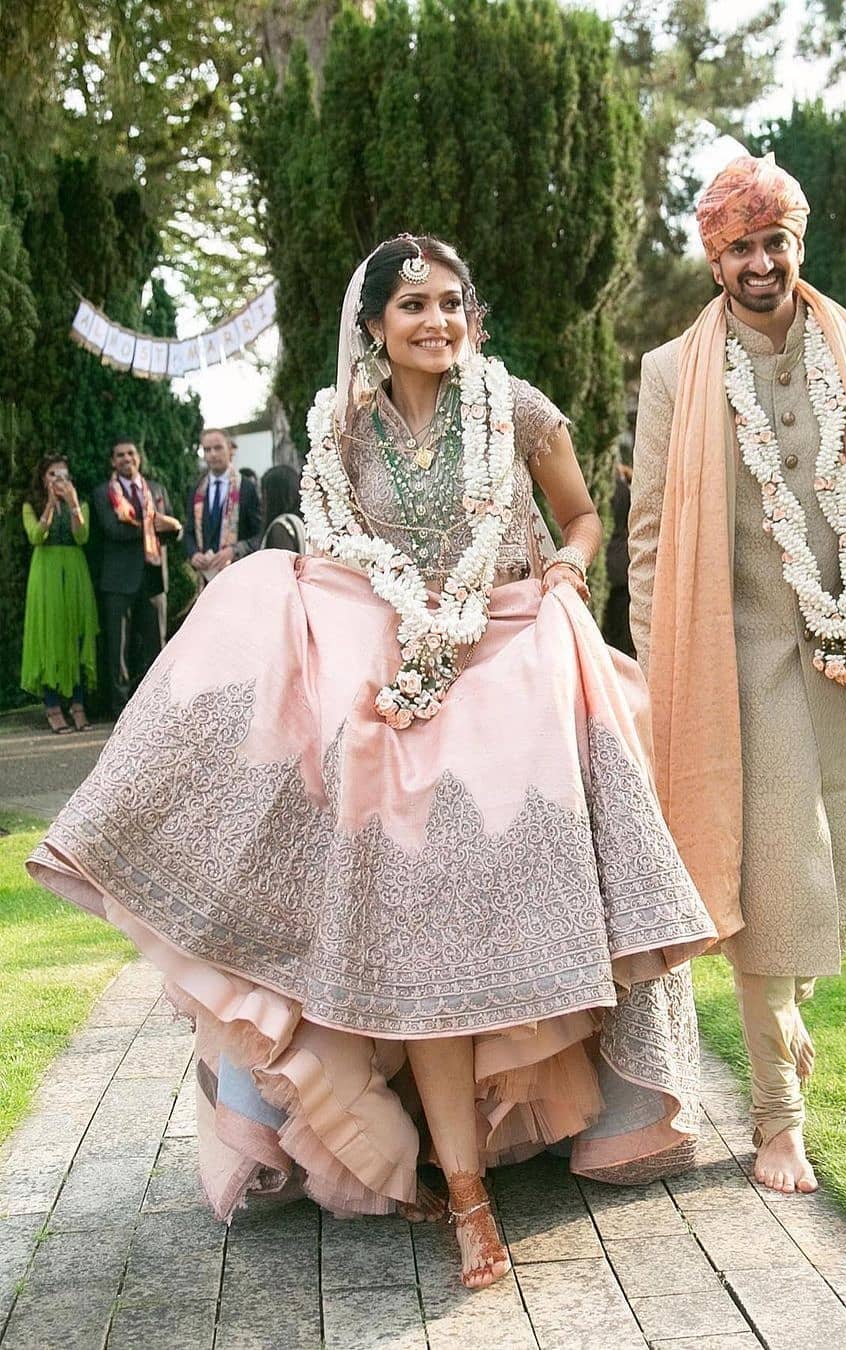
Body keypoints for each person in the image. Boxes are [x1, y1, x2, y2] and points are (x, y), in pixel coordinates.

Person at [28, 234, 717, 1291]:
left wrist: (572, 574)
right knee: (404, 905)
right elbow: (330, 556)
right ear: (374, 327)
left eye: (451, 303)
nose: (436, 322)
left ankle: (496, 1158)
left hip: (512, 664)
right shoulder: (340, 425)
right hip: (394, 678)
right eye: (413, 307)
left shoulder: (517, 407)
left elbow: (581, 519)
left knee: (502, 893)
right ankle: (454, 1178)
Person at [628, 145, 846, 1196]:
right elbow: (645, 540)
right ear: (714, 260)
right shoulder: (673, 373)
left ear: (797, 243)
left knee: (830, 887)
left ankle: (786, 1020)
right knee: (762, 893)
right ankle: (781, 1118)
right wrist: (665, 673)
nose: (762, 262)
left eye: (776, 241)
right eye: (741, 247)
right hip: (736, 670)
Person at [91, 441, 182, 717]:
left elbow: (171, 532)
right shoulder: (103, 493)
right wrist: (153, 523)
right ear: (112, 462)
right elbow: (113, 530)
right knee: (118, 648)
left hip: (153, 579)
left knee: (158, 645)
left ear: (139, 458)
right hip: (118, 581)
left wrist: (174, 528)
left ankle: (158, 707)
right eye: (120, 455)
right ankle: (120, 708)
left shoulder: (156, 490)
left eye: (131, 453)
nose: (126, 458)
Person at [21, 455, 99, 733]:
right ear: (44, 478)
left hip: (75, 571)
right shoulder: (31, 505)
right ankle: (52, 706)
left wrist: (73, 504)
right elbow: (35, 536)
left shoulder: (80, 503)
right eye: (53, 474)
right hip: (46, 575)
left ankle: (78, 705)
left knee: (75, 634)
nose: (58, 480)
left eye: (63, 475)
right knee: (49, 637)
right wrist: (51, 507)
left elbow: (82, 536)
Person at [184, 429, 262, 586]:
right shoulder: (197, 489)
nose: (212, 454)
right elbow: (189, 531)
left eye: (218, 448)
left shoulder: (246, 488)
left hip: (239, 577)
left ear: (230, 449)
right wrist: (193, 554)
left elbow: (259, 534)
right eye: (207, 450)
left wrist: (234, 550)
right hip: (206, 578)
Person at [601, 458, 634, 655]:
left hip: (610, 565)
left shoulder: (611, 489)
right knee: (622, 635)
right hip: (623, 566)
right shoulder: (623, 489)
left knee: (610, 634)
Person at [259, 463, 306, 552]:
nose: (261, 501)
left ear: (275, 496)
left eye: (264, 494)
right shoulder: (303, 521)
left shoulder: (280, 529)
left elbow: (280, 565)